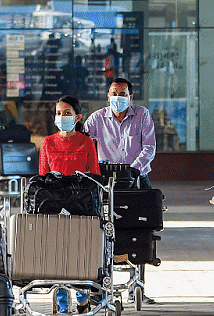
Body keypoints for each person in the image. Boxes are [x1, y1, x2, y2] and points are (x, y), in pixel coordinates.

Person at [38, 95, 99, 315]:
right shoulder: (47, 142)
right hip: (55, 206)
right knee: (58, 257)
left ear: (78, 117)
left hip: (81, 206)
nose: (61, 117)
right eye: (58, 113)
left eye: (66, 113)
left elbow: (95, 177)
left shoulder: (86, 143)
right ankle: (63, 306)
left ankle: (83, 296)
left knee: (80, 253)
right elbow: (42, 178)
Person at [83, 77, 157, 188]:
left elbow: (149, 147)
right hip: (107, 178)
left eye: (123, 95)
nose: (118, 98)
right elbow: (82, 141)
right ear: (108, 97)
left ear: (130, 97)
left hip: (137, 176)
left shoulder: (142, 114)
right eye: (114, 94)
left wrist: (132, 170)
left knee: (148, 204)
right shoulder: (97, 118)